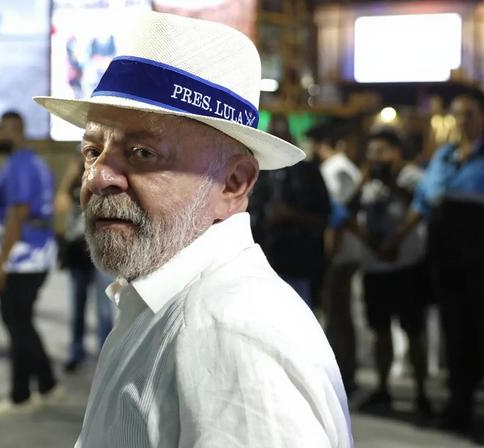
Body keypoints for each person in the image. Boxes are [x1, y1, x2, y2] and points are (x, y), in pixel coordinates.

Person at [34, 12, 352, 446]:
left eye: (143, 152)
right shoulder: (162, 303)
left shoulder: (229, 336)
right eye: (92, 150)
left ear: (233, 183)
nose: (96, 178)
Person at [384, 91, 484, 443]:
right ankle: (458, 408)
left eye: (469, 114)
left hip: (479, 258)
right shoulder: (444, 156)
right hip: (447, 259)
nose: (462, 122)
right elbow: (424, 201)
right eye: (457, 115)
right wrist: (396, 240)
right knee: (456, 334)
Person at [0, 111, 60, 418]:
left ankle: (20, 395)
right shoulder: (34, 163)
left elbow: (17, 214)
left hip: (23, 258)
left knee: (16, 325)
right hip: (35, 256)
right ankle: (47, 384)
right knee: (22, 322)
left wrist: (1, 263)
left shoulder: (19, 165)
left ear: (15, 131)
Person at [354, 129, 431, 419]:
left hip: (407, 266)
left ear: (397, 152)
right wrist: (364, 183)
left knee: (414, 331)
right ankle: (383, 387)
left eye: (382, 151)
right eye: (372, 152)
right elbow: (348, 213)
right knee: (380, 331)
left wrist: (391, 182)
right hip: (375, 267)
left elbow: (423, 205)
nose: (376, 157)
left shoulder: (411, 176)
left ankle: (422, 392)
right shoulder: (368, 180)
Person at [249, 114, 330, 307]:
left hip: (299, 265)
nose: (278, 144)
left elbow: (323, 219)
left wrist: (290, 215)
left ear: (292, 140)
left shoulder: (309, 173)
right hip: (261, 265)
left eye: (282, 138)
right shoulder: (257, 173)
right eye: (273, 137)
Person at [311, 122, 363, 394]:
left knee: (338, 312)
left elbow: (339, 216)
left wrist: (330, 251)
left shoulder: (335, 170)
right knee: (338, 312)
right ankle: (345, 371)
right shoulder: (346, 167)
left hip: (340, 251)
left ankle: (345, 373)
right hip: (346, 250)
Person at [56, 156, 114, 372]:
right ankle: (76, 351)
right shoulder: (73, 184)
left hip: (100, 251)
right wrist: (70, 176)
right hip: (77, 251)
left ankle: (106, 357)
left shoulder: (103, 181)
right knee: (77, 306)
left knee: (103, 309)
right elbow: (60, 206)